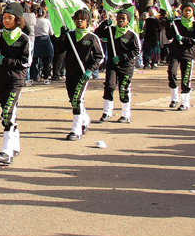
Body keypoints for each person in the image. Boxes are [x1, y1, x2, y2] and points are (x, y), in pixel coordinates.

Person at [0, 2, 30, 165]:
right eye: (4, 17)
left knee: (7, 113)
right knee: (8, 112)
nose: (6, 21)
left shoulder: (24, 39)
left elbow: (26, 62)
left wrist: (5, 60)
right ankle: (14, 144)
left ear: (17, 20)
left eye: (10, 18)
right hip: (0, 78)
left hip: (15, 79)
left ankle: (6, 150)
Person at [60, 8, 103, 141]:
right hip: (70, 72)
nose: (79, 21)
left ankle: (76, 130)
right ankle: (85, 119)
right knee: (73, 99)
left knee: (77, 100)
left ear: (87, 22)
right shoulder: (70, 35)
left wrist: (91, 69)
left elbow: (99, 56)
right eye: (77, 19)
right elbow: (60, 50)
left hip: (83, 74)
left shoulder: (92, 37)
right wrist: (62, 36)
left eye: (83, 19)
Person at [97, 9, 141, 124]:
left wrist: (121, 58)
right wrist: (103, 25)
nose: (121, 20)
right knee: (109, 86)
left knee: (123, 88)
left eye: (124, 18)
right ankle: (107, 112)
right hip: (112, 65)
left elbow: (136, 51)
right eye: (119, 18)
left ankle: (125, 114)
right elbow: (97, 34)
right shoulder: (111, 31)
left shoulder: (132, 35)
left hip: (126, 66)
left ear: (128, 21)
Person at [164, 2, 195, 111]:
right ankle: (174, 98)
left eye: (189, 10)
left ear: (192, 12)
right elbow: (169, 36)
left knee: (185, 78)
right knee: (171, 73)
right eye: (185, 10)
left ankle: (185, 102)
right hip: (175, 53)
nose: (187, 12)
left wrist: (184, 39)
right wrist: (169, 25)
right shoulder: (176, 22)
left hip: (188, 54)